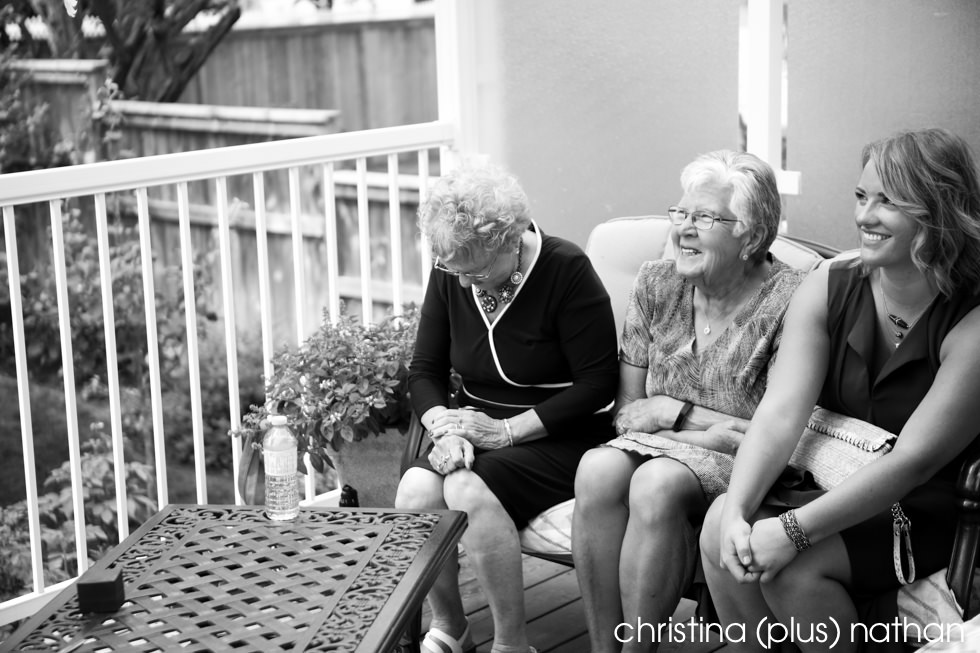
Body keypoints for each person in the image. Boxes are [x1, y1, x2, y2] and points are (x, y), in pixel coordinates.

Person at [701, 128, 980, 653]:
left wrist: (792, 531)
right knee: (719, 528)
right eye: (861, 196)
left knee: (793, 569)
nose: (864, 217)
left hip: (922, 503)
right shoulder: (830, 282)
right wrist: (738, 509)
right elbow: (781, 412)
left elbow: (914, 462)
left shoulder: (972, 319)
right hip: (828, 471)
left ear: (937, 211)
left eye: (887, 202)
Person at [572, 150, 807, 653]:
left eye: (703, 218)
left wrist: (668, 412)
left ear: (751, 233)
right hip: (677, 443)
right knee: (595, 468)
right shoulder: (656, 283)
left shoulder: (792, 300)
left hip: (750, 466)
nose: (683, 229)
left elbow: (765, 431)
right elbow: (627, 416)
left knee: (655, 482)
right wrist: (686, 424)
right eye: (680, 214)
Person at [395, 162, 619, 653]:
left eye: (474, 268)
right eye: (452, 267)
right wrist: (444, 429)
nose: (462, 281)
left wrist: (508, 432)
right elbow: (424, 370)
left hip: (562, 433)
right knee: (414, 490)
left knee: (466, 489)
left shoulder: (566, 270)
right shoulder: (451, 270)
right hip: (475, 429)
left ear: (509, 240)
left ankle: (512, 644)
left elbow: (598, 386)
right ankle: (451, 627)